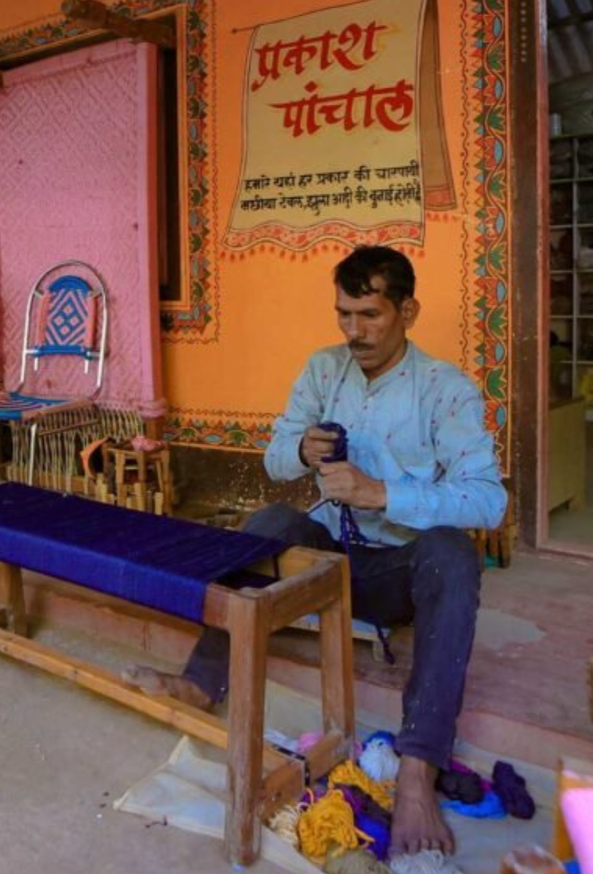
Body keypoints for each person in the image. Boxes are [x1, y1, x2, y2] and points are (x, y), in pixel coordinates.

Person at [124, 245, 506, 856]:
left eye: (370, 316)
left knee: (453, 554)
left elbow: (489, 502)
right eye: (344, 314)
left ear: (408, 311)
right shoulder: (324, 370)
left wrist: (382, 492)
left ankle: (417, 770)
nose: (353, 332)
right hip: (334, 557)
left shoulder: (445, 390)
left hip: (405, 569)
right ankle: (201, 682)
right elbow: (275, 462)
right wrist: (301, 449)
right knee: (271, 521)